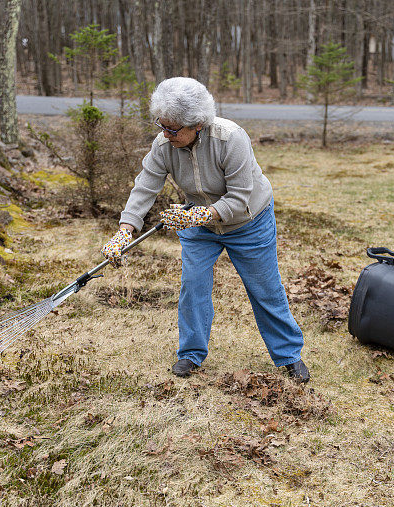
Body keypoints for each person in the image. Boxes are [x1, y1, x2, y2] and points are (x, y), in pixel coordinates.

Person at [101, 77, 309, 383]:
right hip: (197, 223)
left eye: (173, 129)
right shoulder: (163, 145)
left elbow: (239, 198)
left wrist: (202, 215)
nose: (166, 134)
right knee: (193, 286)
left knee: (265, 289)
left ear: (197, 123)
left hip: (248, 221)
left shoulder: (231, 138)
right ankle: (190, 354)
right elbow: (145, 186)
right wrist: (125, 229)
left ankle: (289, 356)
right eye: (162, 126)